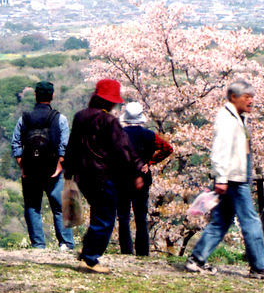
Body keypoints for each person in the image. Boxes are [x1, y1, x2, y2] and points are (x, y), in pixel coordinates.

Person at [185, 80, 264, 280]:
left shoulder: (239, 117)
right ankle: (259, 266)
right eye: (246, 97)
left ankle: (196, 260)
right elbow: (219, 151)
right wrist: (220, 178)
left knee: (221, 221)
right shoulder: (226, 119)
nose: (251, 101)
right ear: (233, 97)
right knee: (251, 221)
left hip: (235, 178)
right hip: (232, 179)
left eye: (252, 97)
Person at [63, 78, 144, 274]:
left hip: (83, 176)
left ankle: (87, 251)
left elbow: (72, 144)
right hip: (103, 176)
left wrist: (69, 170)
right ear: (110, 101)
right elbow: (123, 149)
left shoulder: (80, 116)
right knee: (105, 217)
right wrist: (137, 171)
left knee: (99, 214)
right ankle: (90, 260)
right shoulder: (109, 121)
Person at [11, 81, 74, 250]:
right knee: (59, 208)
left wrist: (22, 166)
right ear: (52, 96)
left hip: (30, 170)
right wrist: (60, 166)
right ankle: (66, 243)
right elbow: (65, 145)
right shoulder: (59, 118)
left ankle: (39, 245)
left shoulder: (24, 118)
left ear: (36, 96)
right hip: (53, 170)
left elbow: (16, 143)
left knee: (33, 207)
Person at [116, 101, 173, 256]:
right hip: (142, 178)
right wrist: (150, 162)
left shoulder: (118, 134)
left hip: (122, 178)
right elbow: (168, 148)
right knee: (141, 216)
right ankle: (142, 252)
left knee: (123, 217)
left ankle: (126, 252)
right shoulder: (149, 135)